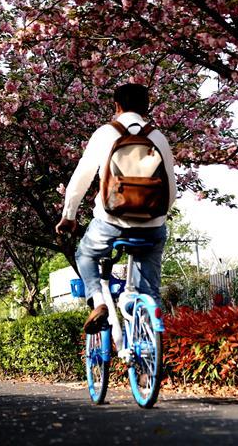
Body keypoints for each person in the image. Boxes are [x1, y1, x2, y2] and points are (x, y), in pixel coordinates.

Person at [55, 83, 176, 334]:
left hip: (111, 223)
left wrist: (69, 216)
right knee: (149, 291)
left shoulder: (106, 133)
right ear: (146, 107)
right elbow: (171, 189)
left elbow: (81, 178)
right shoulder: (158, 138)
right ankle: (148, 340)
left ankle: (98, 302)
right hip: (152, 226)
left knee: (85, 255)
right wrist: (155, 217)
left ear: (117, 106)